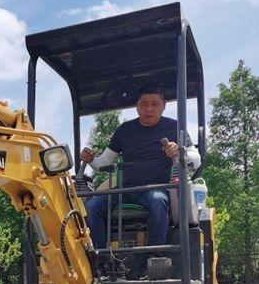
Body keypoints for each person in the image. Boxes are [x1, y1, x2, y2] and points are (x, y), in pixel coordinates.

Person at [80, 83, 200, 253]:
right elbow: (103, 163)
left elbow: (196, 160)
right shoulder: (124, 130)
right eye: (144, 104)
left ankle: (156, 260)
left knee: (157, 201)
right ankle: (101, 260)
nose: (149, 109)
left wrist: (179, 152)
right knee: (92, 206)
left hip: (157, 189)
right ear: (137, 106)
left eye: (155, 104)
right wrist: (91, 159)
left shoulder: (175, 128)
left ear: (163, 106)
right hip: (124, 191)